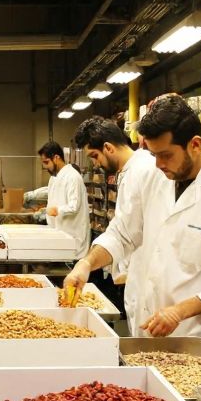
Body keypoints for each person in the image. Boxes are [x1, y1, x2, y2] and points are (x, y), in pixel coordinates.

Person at [63, 94, 201, 342]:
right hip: (142, 322)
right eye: (153, 154)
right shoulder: (154, 178)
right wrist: (86, 264)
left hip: (190, 332)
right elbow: (123, 232)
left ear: (195, 145)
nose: (158, 164)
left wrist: (179, 312)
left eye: (165, 155)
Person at [72, 116, 172, 324]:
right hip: (140, 277)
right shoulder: (130, 171)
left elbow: (128, 232)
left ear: (108, 147)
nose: (95, 164)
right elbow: (125, 228)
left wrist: (88, 263)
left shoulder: (143, 170)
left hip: (156, 284)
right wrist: (88, 263)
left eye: (94, 156)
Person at [37, 139, 90, 258]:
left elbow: (74, 206)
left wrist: (56, 210)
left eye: (46, 162)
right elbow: (52, 201)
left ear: (56, 157)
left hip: (73, 238)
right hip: (59, 236)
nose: (45, 167)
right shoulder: (54, 178)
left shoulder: (73, 176)